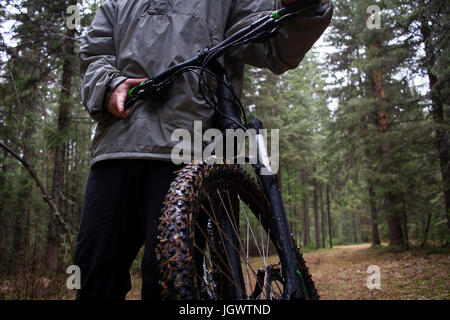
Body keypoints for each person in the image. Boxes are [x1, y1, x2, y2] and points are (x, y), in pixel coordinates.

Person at [75, 0, 333, 300]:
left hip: (191, 147)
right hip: (116, 149)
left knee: (167, 279)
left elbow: (277, 44)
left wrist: (303, 6)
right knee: (94, 273)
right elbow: (94, 57)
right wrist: (110, 85)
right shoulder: (116, 3)